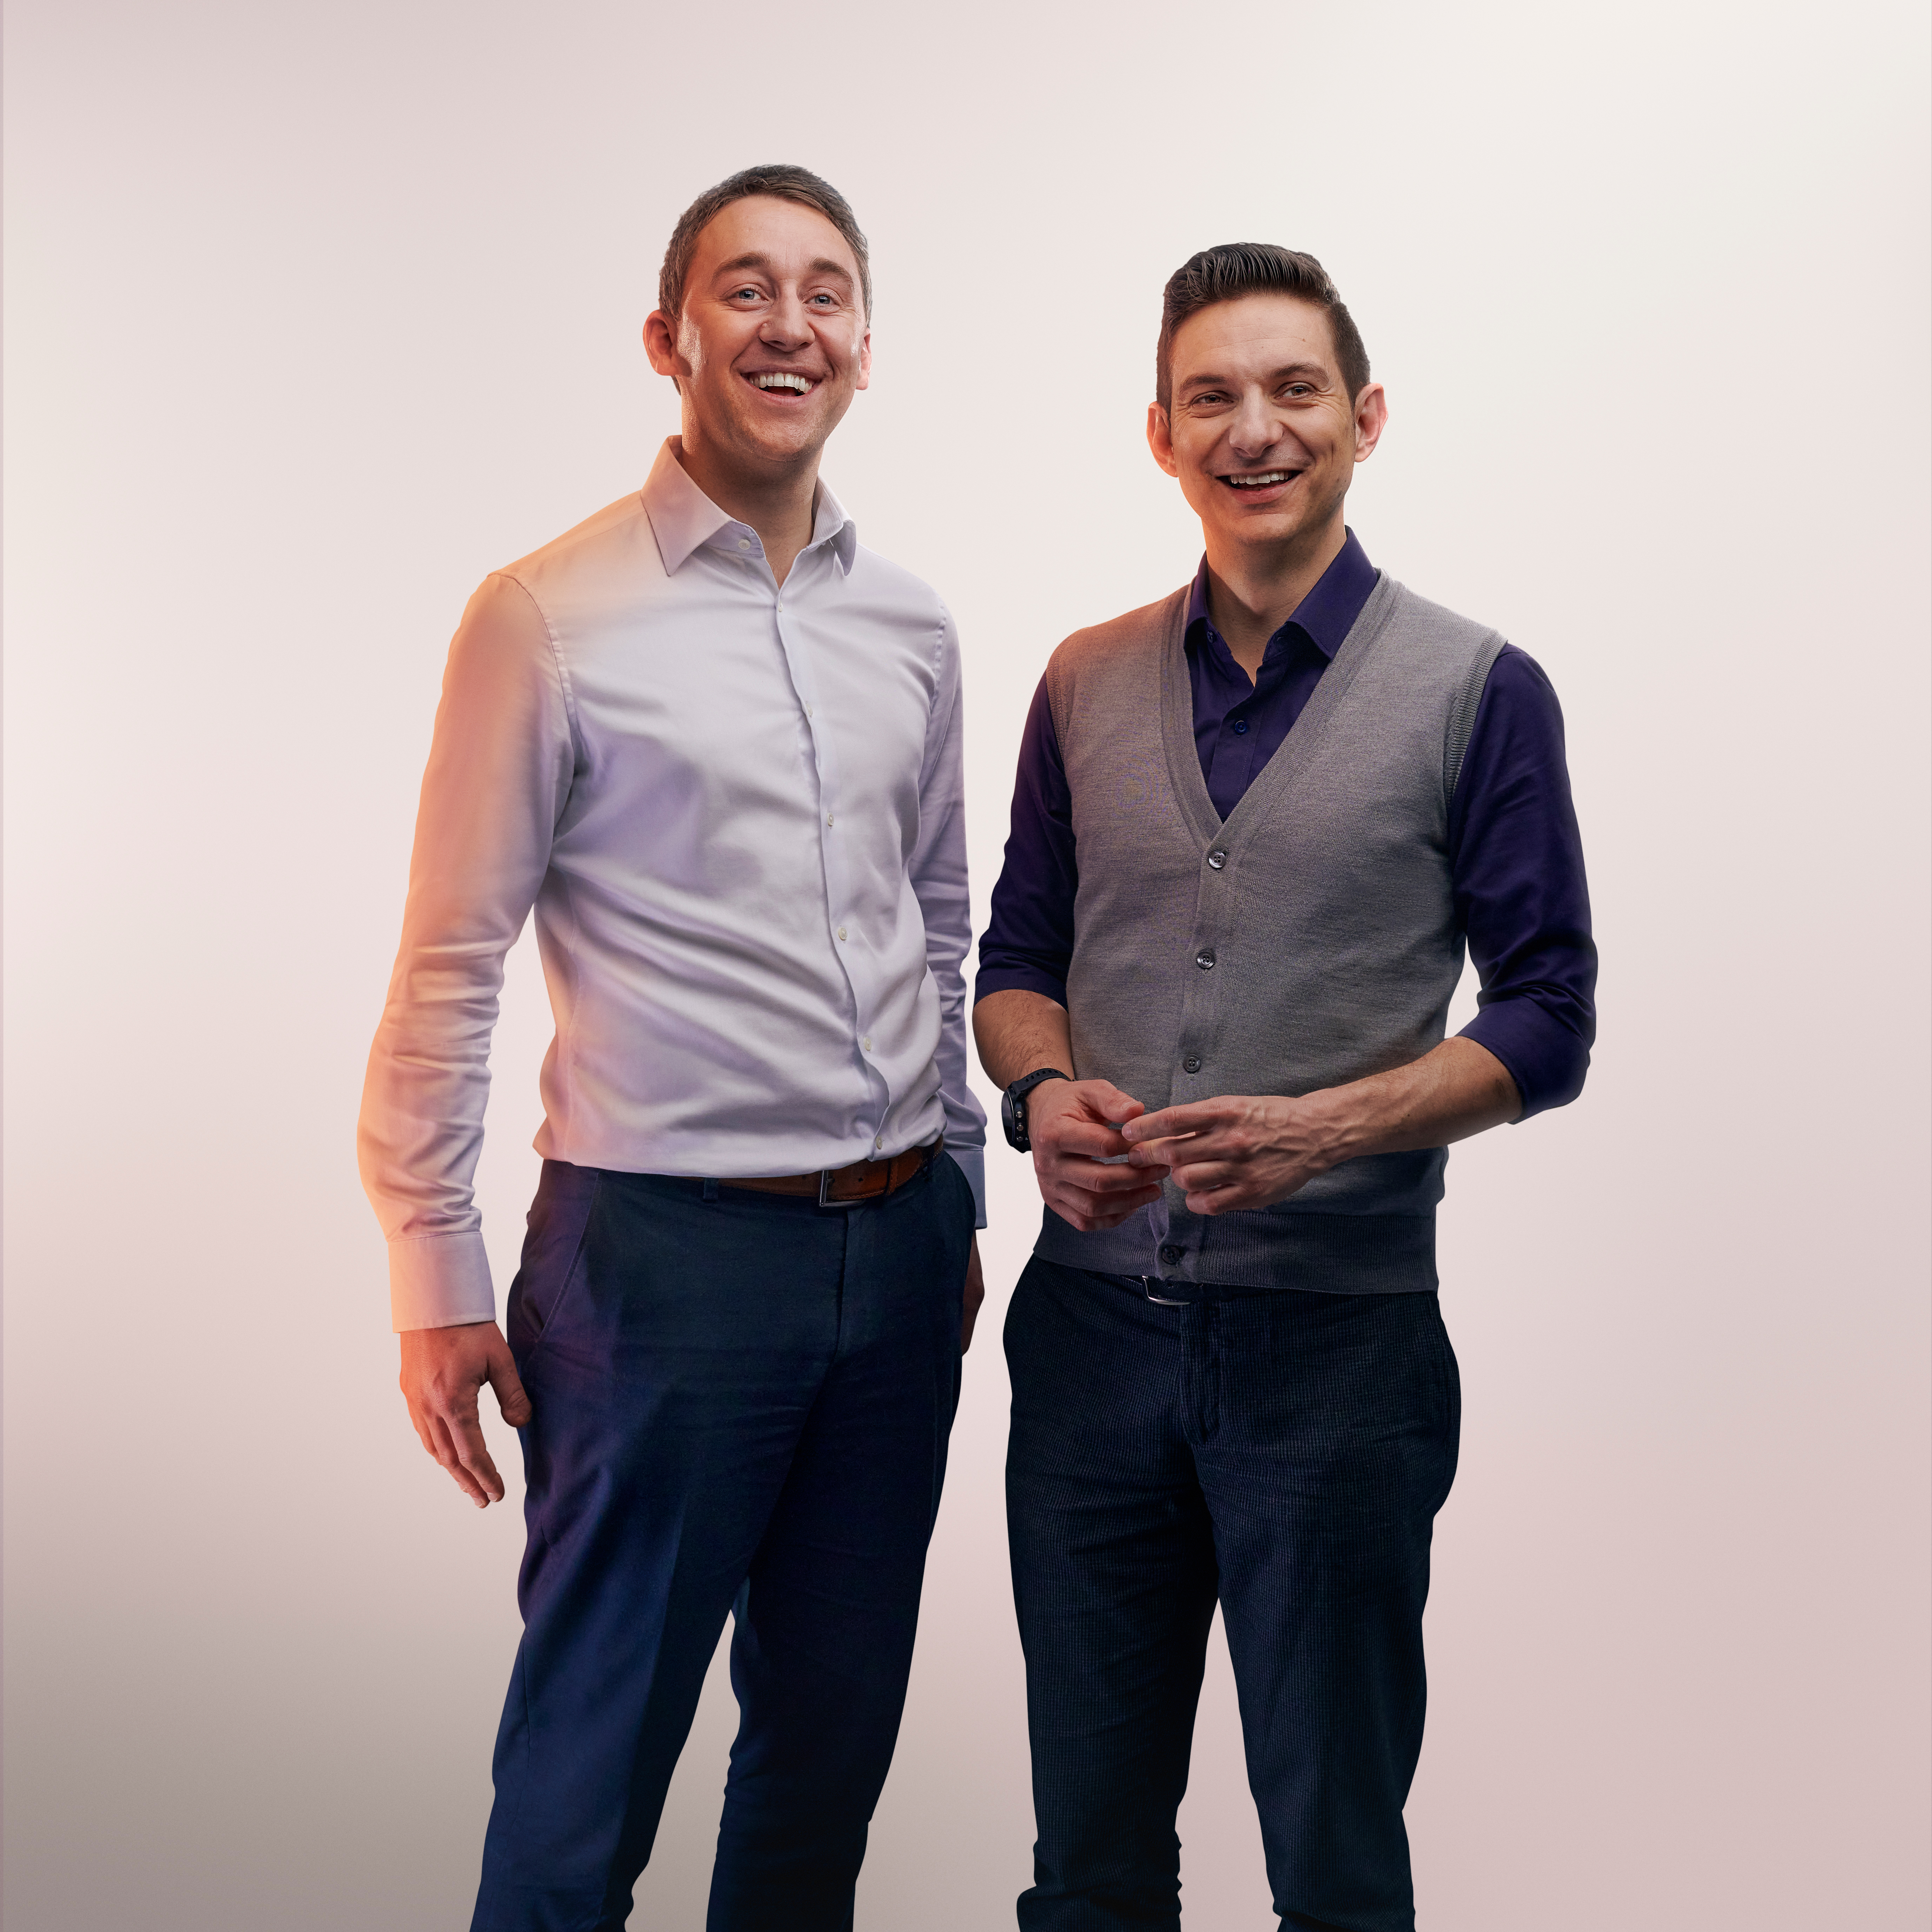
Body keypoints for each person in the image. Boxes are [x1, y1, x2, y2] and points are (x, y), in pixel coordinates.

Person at [357, 163, 986, 1932]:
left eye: (827, 291)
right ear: (669, 335)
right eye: (744, 289)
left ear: (866, 345)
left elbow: (935, 917)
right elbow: (448, 963)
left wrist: (951, 1173)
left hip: (895, 1255)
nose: (790, 322)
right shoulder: (543, 618)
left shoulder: (913, 624)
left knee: (823, 1762)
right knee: (585, 1784)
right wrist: (432, 1266)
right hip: (657, 1265)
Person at [974, 244, 1596, 1932]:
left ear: (1364, 417)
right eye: (1212, 397)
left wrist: (1328, 1125)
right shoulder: (1081, 678)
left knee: (1332, 1858)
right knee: (1088, 1862)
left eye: (1293, 388)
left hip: (1337, 1350)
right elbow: (1013, 956)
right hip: (1091, 1341)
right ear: (1160, 436)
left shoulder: (1477, 687)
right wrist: (1040, 1098)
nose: (1254, 427)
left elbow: (1547, 1014)